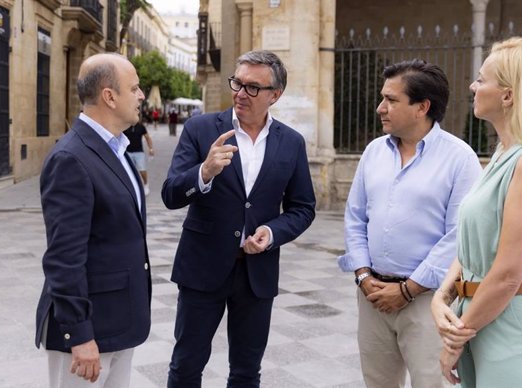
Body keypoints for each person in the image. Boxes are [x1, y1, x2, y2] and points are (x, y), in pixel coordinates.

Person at [161, 50, 316, 387]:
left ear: (275, 95)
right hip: (202, 268)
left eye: (253, 88)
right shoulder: (201, 129)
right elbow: (170, 194)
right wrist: (204, 171)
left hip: (256, 274)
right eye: (238, 83)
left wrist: (272, 233)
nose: (241, 93)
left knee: (246, 371)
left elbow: (303, 207)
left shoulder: (290, 143)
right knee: (186, 365)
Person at [431, 37, 522, 387]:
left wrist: (455, 338)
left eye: (481, 79)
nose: (472, 86)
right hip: (480, 323)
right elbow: (472, 245)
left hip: (514, 336)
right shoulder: (502, 155)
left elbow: (509, 274)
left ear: (507, 95)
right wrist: (442, 296)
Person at [337, 59, 482, 388]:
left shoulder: (460, 159)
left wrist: (408, 289)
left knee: (430, 383)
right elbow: (355, 216)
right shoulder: (374, 152)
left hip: (426, 303)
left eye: (391, 100)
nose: (380, 108)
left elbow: (460, 235)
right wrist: (362, 273)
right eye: (381, 98)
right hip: (372, 295)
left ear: (422, 107)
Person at [34, 53, 151, 388]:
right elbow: (63, 257)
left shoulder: (117, 149)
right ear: (109, 96)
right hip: (87, 336)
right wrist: (80, 335)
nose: (141, 95)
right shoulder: (71, 158)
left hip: (118, 322)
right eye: (134, 88)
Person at [125, 117, 155, 195]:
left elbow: (147, 138)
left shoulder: (141, 127)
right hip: (127, 152)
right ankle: (132, 187)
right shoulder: (126, 126)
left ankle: (146, 184)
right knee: (129, 171)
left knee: (142, 170)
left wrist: (151, 149)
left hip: (139, 152)